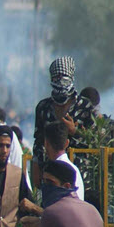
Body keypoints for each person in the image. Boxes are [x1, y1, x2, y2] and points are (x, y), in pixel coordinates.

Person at [32, 57, 95, 187]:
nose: (60, 82)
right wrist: (36, 170)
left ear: (71, 78)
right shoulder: (43, 107)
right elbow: (38, 142)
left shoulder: (84, 106)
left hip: (80, 174)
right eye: (56, 78)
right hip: (50, 176)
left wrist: (74, 132)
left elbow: (94, 141)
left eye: (64, 78)